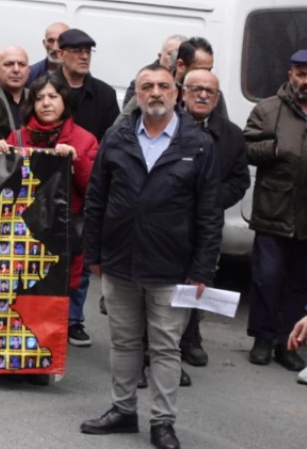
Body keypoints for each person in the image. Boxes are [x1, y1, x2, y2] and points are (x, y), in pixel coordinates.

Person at [80, 63, 221, 449]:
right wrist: (94, 253)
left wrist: (202, 269)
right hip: (119, 261)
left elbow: (209, 213)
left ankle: (163, 422)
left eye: (162, 85)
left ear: (176, 94)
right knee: (124, 342)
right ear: (137, 94)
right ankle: (123, 410)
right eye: (147, 86)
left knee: (164, 346)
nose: (155, 92)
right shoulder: (117, 136)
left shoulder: (198, 144)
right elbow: (96, 198)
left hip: (172, 266)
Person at [7, 73, 99, 347]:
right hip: (25, 228)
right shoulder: (18, 137)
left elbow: (93, 188)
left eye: (53, 97)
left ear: (65, 101)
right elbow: (4, 183)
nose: (46, 103)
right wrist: (0, 151)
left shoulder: (84, 140)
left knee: (67, 282)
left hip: (65, 228)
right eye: (39, 98)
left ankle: (68, 326)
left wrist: (76, 160)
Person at [174, 69, 248, 368]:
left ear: (217, 99)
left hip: (206, 223)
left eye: (210, 91)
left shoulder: (232, 135)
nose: (203, 95)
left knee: (199, 278)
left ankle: (190, 338)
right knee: (162, 283)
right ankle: (155, 346)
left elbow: (240, 180)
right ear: (183, 93)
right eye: (196, 89)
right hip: (168, 221)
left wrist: (211, 199)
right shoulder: (166, 125)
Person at [243, 50, 307, 372]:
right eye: (301, 73)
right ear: (290, 74)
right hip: (273, 210)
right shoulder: (268, 109)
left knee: (300, 284)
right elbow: (245, 148)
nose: (306, 80)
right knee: (267, 278)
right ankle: (262, 339)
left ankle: (287, 344)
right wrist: (274, 148)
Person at [56, 29, 120, 142]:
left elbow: (112, 140)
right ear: (61, 55)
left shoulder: (105, 94)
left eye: (88, 51)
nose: (85, 56)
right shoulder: (45, 89)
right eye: (77, 50)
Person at [0, 46, 31, 130]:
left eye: (21, 65)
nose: (16, 70)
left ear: (28, 70)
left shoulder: (36, 98)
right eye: (9, 64)